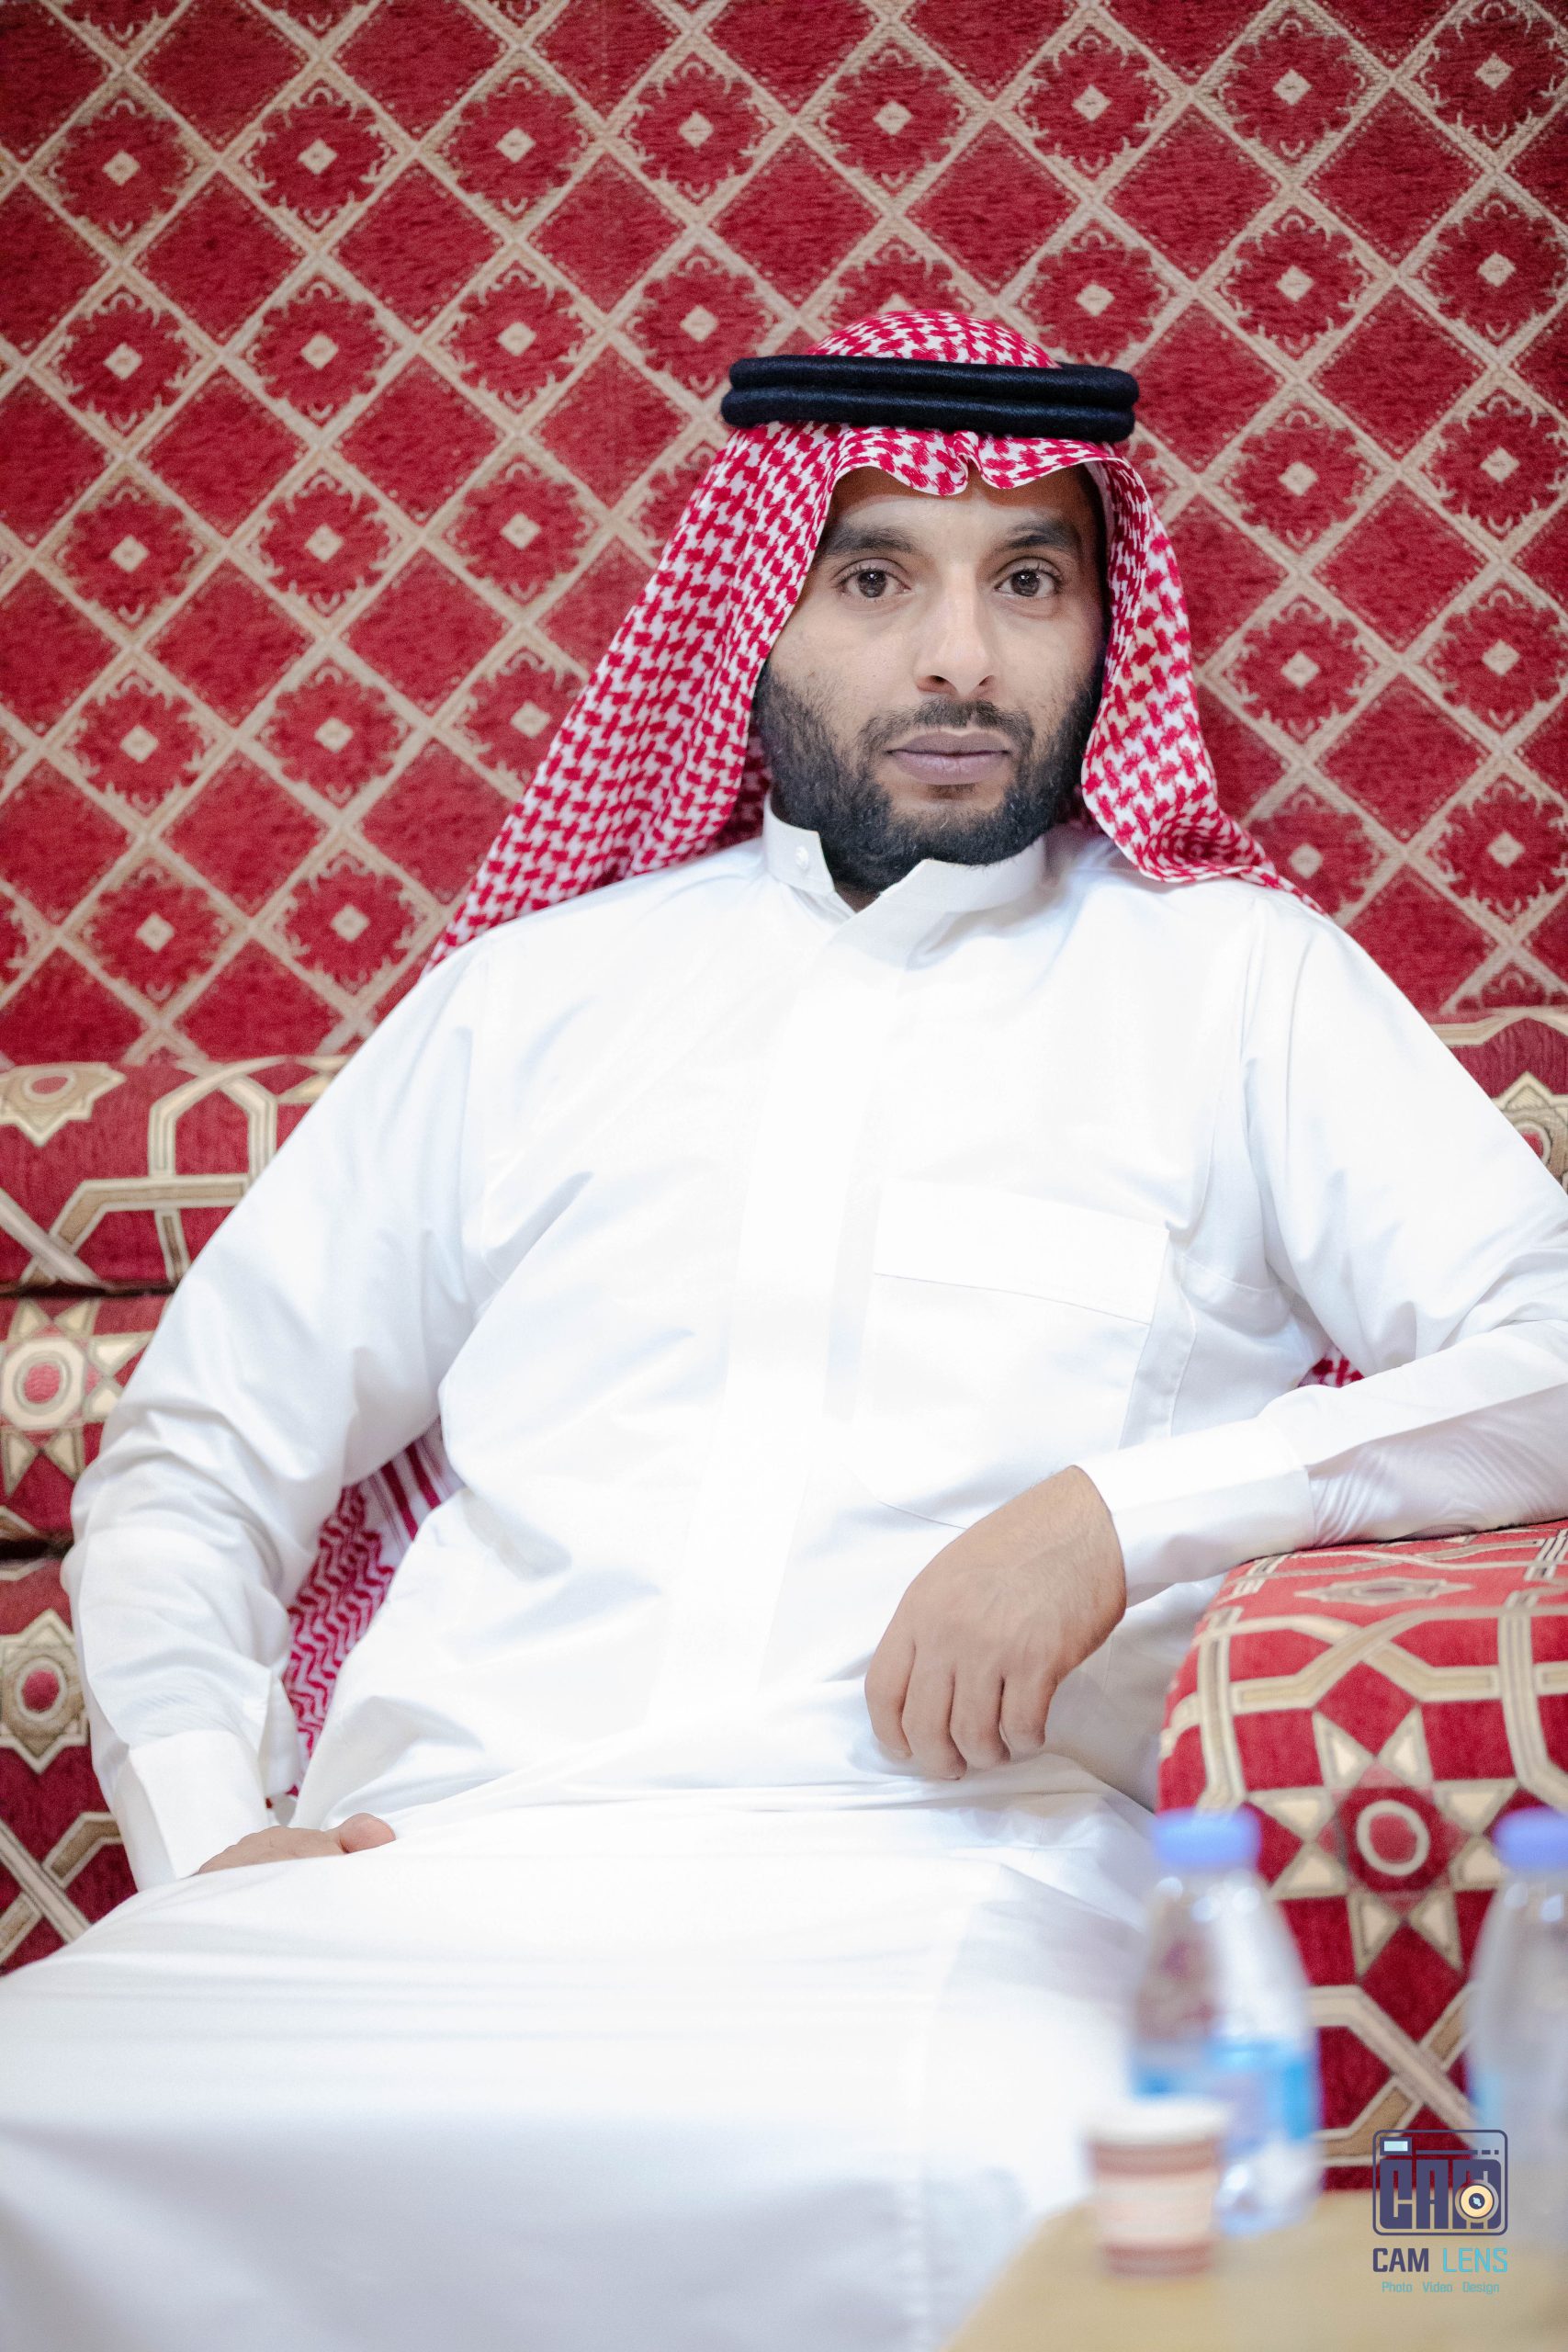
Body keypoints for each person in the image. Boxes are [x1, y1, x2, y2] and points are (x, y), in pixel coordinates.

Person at [2, 312, 1565, 2352]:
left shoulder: (1235, 988)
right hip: (425, 1871)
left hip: (956, 1885)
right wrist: (217, 1837)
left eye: (1029, 580)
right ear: (754, 608)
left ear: (1104, 624)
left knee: (1023, 2191)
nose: (960, 658)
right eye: (875, 575)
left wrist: (1113, 1517)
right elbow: (197, 1457)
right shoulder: (528, 1006)